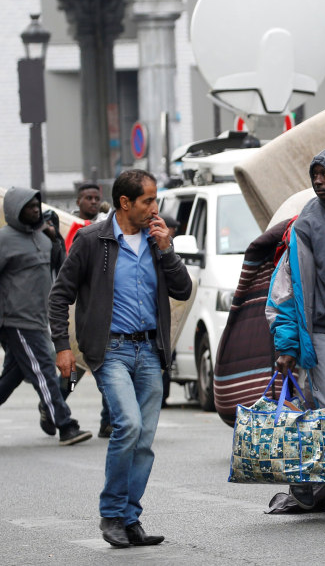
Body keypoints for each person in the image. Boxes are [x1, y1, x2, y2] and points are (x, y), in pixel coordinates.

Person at [48, 169, 192, 547]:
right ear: (125, 203)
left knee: (144, 439)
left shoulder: (156, 238)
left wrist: (167, 250)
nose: (155, 208)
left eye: (155, 200)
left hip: (150, 351)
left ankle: (130, 519)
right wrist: (63, 346)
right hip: (110, 350)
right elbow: (59, 294)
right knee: (127, 425)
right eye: (148, 200)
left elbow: (183, 289)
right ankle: (111, 514)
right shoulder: (92, 240)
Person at [266, 145, 325, 519]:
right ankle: (314, 479)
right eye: (315, 175)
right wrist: (286, 345)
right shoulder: (304, 224)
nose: (319, 182)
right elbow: (286, 293)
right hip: (322, 333)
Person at [0, 187, 92, 446]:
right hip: (16, 320)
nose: (35, 210)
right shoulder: (4, 239)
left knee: (11, 378)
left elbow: (61, 270)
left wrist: (55, 240)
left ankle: (58, 412)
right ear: (15, 211)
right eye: (29, 207)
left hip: (41, 319)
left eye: (37, 206)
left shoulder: (43, 238)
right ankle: (65, 425)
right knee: (45, 371)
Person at [159, 214, 180, 407]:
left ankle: (162, 396)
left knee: (166, 355)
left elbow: (184, 288)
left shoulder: (166, 245)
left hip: (165, 318)